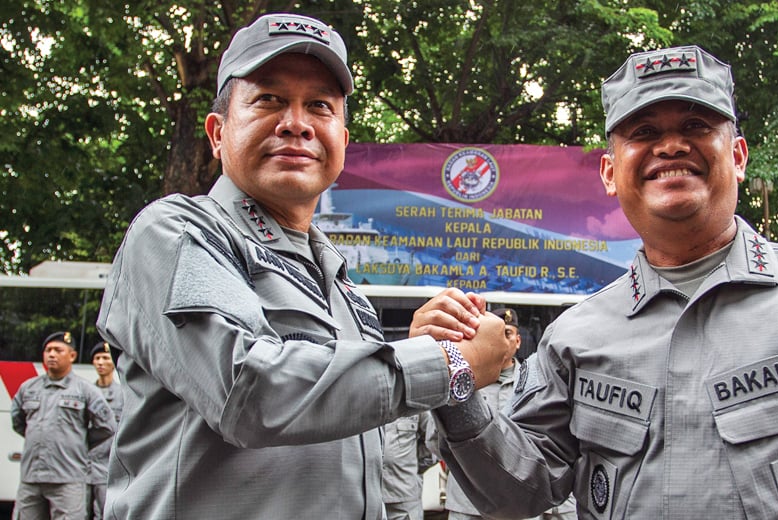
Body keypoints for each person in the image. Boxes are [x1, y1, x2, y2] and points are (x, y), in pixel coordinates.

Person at [431, 45, 778, 518]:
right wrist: (453, 383)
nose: (670, 146)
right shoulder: (577, 334)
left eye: (696, 126)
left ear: (737, 156)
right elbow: (515, 494)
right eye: (643, 132)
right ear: (609, 172)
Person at [94, 12, 510, 520]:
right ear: (217, 133)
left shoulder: (344, 288)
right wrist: (447, 366)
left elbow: (352, 440)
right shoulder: (179, 231)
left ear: (342, 139)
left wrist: (421, 344)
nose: (296, 122)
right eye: (269, 99)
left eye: (319, 105)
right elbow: (249, 393)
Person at [442, 308, 577, 520]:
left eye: (508, 333)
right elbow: (438, 436)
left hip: (520, 506)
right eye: (497, 335)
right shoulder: (465, 379)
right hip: (467, 504)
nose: (503, 340)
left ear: (518, 341)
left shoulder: (538, 382)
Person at [10, 332, 116, 520]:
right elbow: (18, 421)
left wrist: (78, 443)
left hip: (68, 479)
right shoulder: (28, 388)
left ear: (72, 356)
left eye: (58, 350)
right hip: (31, 479)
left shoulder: (85, 390)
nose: (52, 354)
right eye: (48, 350)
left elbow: (107, 426)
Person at [86, 341, 124, 520]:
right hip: (83, 466)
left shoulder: (124, 393)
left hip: (109, 466)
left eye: (105, 358)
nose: (100, 362)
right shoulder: (85, 392)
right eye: (97, 358)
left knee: (106, 513)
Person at [382, 412, 436, 520]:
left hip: (404, 497)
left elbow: (433, 442)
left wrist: (410, 468)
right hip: (367, 494)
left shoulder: (416, 402)